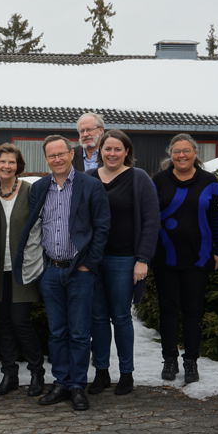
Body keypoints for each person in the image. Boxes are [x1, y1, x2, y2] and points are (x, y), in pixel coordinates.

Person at [15, 135, 110, 411]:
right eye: (51, 156)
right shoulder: (40, 187)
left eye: (61, 154)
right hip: (51, 271)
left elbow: (102, 228)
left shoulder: (90, 185)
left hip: (79, 271)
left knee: (80, 332)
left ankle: (78, 385)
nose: (56, 159)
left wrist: (87, 264)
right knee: (57, 331)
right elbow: (35, 227)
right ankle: (61, 382)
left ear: (71, 154)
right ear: (46, 159)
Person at [88, 129, 160, 396]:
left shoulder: (139, 178)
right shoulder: (90, 178)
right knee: (97, 318)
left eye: (118, 149)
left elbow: (152, 221)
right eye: (107, 149)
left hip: (124, 259)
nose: (112, 153)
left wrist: (142, 259)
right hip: (94, 261)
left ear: (127, 151)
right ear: (100, 151)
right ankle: (102, 372)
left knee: (120, 317)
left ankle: (126, 374)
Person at [152, 134, 218, 384]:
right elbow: (149, 218)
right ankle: (170, 359)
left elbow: (217, 219)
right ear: (170, 154)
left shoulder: (209, 181)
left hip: (199, 256)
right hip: (165, 256)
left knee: (193, 312)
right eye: (176, 151)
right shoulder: (159, 181)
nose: (181, 155)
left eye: (186, 151)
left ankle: (191, 360)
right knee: (168, 311)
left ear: (195, 153)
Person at [0, 143, 44, 397]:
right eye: (2, 162)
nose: (7, 166)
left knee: (21, 322)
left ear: (18, 166)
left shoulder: (30, 190)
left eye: (11, 162)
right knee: (3, 323)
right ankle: (9, 375)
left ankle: (36, 373)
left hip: (23, 267)